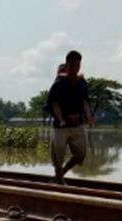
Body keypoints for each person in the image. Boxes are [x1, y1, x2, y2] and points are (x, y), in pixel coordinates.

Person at [46, 50, 92, 184]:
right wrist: (63, 119)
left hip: (77, 125)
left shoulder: (82, 83)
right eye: (72, 65)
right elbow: (52, 104)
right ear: (66, 65)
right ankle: (60, 183)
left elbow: (85, 102)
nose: (75, 68)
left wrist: (88, 116)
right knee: (58, 157)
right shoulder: (58, 84)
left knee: (80, 155)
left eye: (77, 66)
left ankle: (59, 177)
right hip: (61, 127)